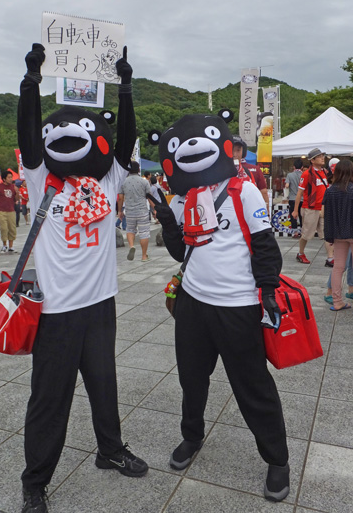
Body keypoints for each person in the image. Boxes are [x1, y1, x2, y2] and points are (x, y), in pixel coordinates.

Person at [17, 44, 147, 513]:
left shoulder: (107, 180)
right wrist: (31, 82)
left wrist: (125, 87)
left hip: (100, 304)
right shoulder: (41, 179)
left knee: (104, 383)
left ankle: (109, 449)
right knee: (49, 399)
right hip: (56, 310)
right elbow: (29, 133)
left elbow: (126, 140)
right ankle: (35, 481)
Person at [148, 109, 289, 502]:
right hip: (193, 304)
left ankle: (277, 458)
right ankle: (192, 436)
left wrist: (268, 291)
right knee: (192, 379)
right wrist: (168, 220)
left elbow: (265, 246)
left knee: (252, 385)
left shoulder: (242, 190)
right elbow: (181, 252)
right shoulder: (183, 198)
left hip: (237, 305)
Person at [292, 148, 332, 265]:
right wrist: (295, 210)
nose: (322, 158)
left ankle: (330, 258)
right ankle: (300, 253)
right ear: (312, 160)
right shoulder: (306, 174)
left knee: (327, 233)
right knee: (306, 234)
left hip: (323, 207)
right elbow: (299, 193)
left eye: (322, 156)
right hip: (310, 207)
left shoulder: (325, 172)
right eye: (319, 157)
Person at [323, 159, 353, 311]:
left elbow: (327, 216)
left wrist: (329, 236)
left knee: (338, 267)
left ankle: (337, 301)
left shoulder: (330, 191)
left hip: (339, 233)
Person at [117, 161, 151, 261]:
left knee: (130, 230)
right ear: (138, 169)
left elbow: (120, 198)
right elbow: (149, 197)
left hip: (129, 211)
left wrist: (120, 211)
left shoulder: (123, 182)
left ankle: (132, 246)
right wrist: (155, 210)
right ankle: (144, 256)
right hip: (142, 211)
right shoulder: (144, 182)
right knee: (144, 233)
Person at [233, 136, 269, 211]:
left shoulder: (249, 172)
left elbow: (263, 192)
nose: (235, 154)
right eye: (232, 150)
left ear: (243, 152)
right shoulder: (219, 172)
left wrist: (266, 212)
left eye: (238, 150)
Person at [0, 170, 19, 253]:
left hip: (11, 210)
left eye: (11, 177)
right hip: (1, 211)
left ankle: (11, 246)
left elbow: (16, 199)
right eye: (9, 177)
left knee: (12, 228)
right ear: (4, 179)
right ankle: (4, 245)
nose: (11, 179)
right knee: (4, 228)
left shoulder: (13, 187)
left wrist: (17, 192)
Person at [285, 159, 303, 237]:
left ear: (294, 167)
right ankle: (302, 231)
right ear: (302, 167)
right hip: (302, 199)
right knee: (302, 216)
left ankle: (295, 232)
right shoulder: (304, 175)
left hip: (292, 198)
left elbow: (287, 185)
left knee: (293, 215)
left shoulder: (290, 175)